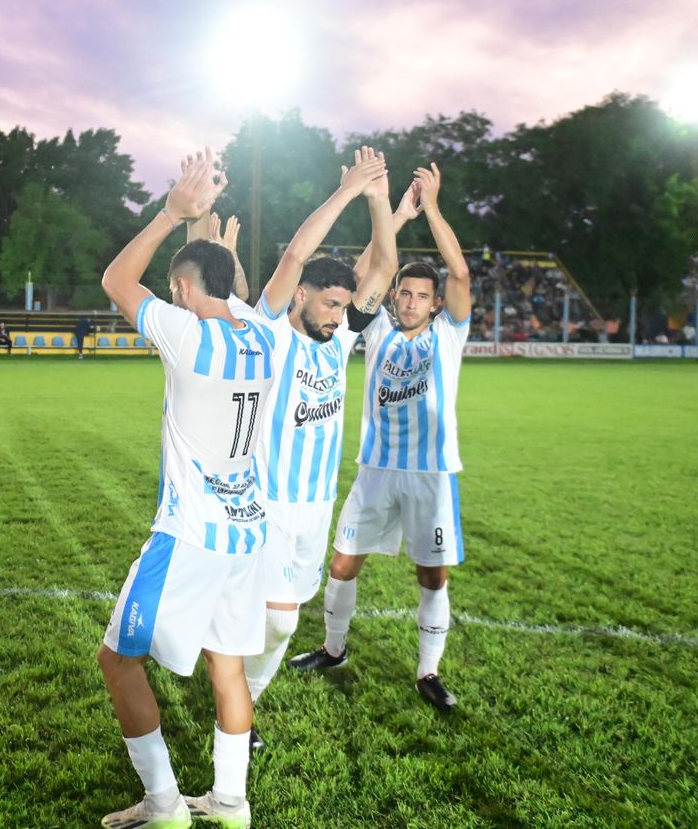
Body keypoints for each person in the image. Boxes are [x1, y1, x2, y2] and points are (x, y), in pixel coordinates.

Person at [96, 149, 275, 828]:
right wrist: (211, 247)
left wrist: (175, 212)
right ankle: (232, 804)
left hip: (191, 533)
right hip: (246, 532)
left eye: (177, 291)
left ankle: (165, 805)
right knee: (227, 667)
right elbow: (232, 294)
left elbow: (118, 278)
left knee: (117, 661)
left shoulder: (187, 335)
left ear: (183, 291)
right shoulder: (259, 334)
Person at [217, 148, 404, 749]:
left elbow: (384, 269)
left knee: (278, 622)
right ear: (300, 296)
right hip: (266, 500)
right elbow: (297, 253)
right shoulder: (272, 330)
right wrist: (348, 191)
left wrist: (380, 201)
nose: (338, 315)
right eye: (329, 303)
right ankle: (236, 712)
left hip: (315, 504)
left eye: (344, 307)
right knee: (280, 620)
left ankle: (241, 704)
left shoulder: (340, 338)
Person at [289, 161, 472, 717]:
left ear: (435, 304)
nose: (411, 301)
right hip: (375, 469)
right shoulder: (376, 326)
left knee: (431, 574)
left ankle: (429, 671)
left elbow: (460, 276)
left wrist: (433, 209)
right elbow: (371, 264)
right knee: (343, 564)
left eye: (421, 295)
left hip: (431, 473)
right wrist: (394, 214)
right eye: (405, 293)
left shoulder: (449, 332)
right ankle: (334, 649)